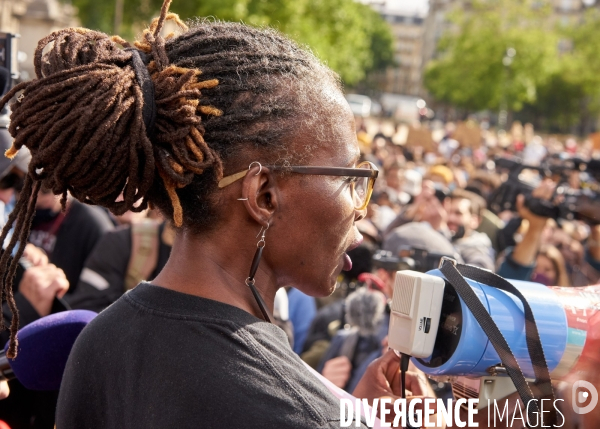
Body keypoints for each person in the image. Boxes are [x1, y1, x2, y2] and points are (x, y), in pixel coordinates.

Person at [0, 2, 436, 427]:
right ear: (264, 195)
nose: (364, 208)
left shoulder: (99, 344)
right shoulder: (299, 412)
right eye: (349, 179)